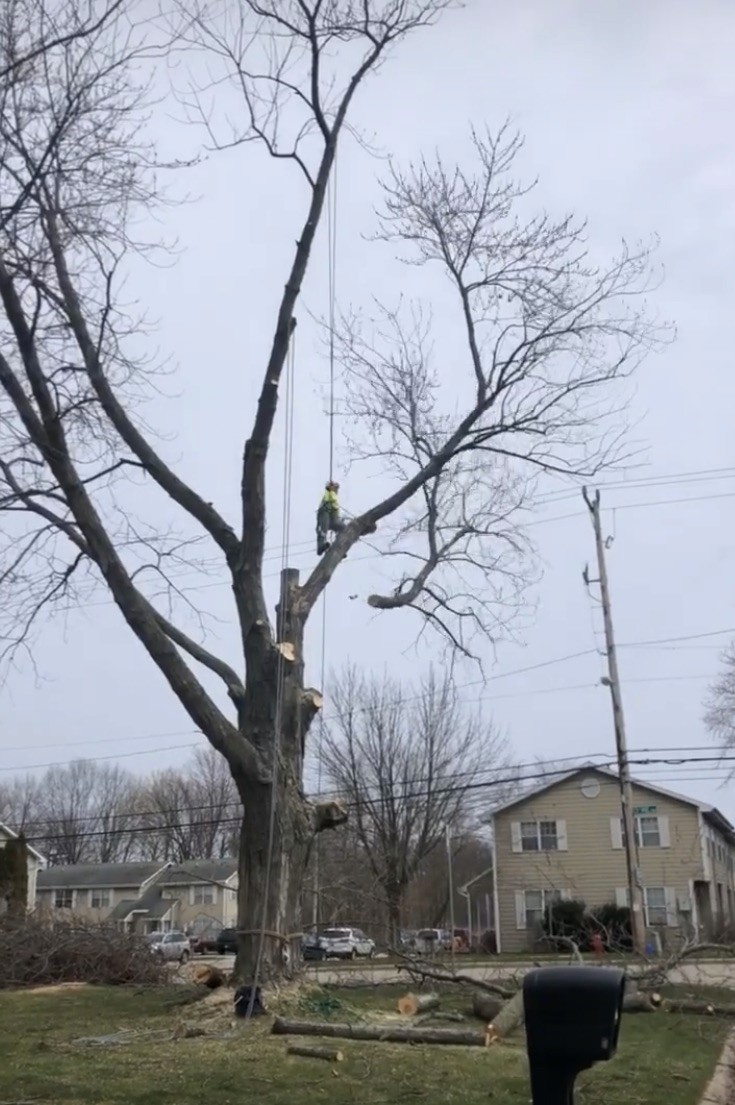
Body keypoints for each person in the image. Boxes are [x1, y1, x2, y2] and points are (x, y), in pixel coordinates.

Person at [316, 479, 344, 555]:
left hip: (332, 519)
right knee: (323, 530)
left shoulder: (334, 500)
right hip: (324, 514)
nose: (336, 491)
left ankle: (340, 546)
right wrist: (330, 487)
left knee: (343, 528)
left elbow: (335, 514)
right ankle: (320, 546)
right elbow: (328, 493)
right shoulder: (328, 494)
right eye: (335, 489)